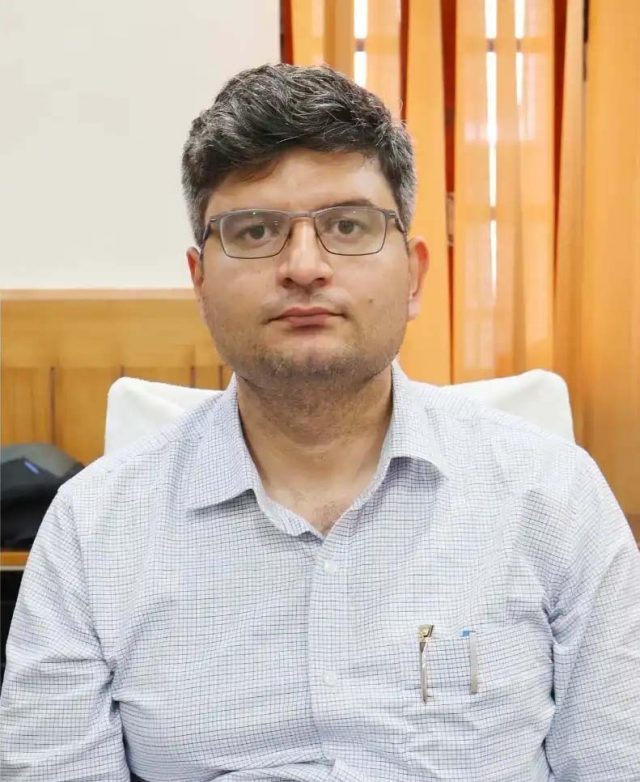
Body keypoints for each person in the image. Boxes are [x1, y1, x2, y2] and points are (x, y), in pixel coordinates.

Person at [1, 63, 639, 782]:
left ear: (414, 276)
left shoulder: (553, 498)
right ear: (200, 281)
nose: (304, 267)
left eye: (347, 226)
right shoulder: (92, 529)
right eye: (254, 231)